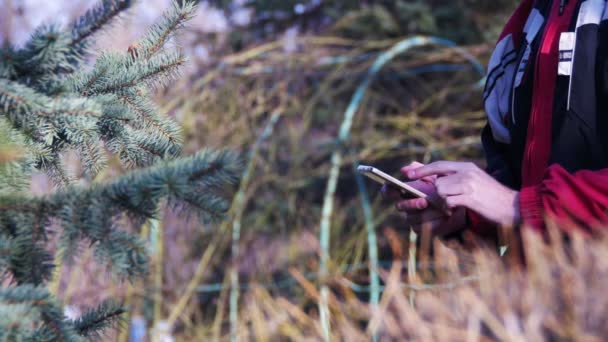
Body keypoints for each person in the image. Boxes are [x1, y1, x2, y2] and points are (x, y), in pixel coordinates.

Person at [387, 0, 608, 238]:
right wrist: (465, 207)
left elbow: (519, 205)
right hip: (544, 271)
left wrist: (518, 206)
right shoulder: (530, 18)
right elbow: (516, 174)